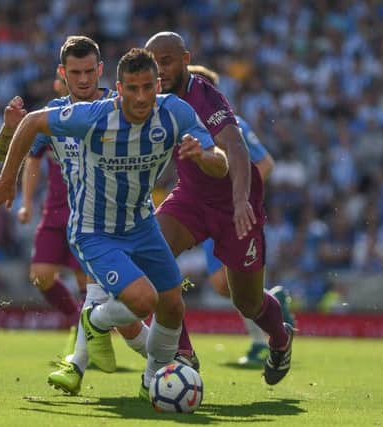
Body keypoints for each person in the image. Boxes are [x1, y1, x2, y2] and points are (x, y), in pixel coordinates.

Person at [0, 47, 228, 399]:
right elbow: (32, 121)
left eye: (148, 87)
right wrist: (8, 178)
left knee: (173, 304)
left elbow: (220, 162)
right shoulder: (94, 115)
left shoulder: (174, 112)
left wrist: (204, 156)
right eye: (132, 88)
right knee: (142, 301)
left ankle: (151, 382)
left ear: (157, 85)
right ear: (119, 88)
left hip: (142, 225)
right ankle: (93, 322)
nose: (142, 97)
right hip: (94, 230)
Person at [0, 37, 151, 395]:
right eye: (74, 72)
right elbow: (5, 152)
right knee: (108, 303)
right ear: (62, 74)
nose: (82, 79)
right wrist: (9, 128)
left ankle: (162, 361)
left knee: (127, 313)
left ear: (100, 70)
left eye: (89, 71)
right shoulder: (54, 115)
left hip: (132, 219)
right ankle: (160, 367)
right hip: (88, 223)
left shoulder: (121, 105)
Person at [145, 32, 294, 385]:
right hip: (191, 199)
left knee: (247, 302)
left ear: (185, 58)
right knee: (150, 259)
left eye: (166, 61)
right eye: (154, 63)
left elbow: (237, 150)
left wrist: (241, 200)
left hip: (234, 208)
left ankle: (280, 338)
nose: (159, 70)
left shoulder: (205, 96)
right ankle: (183, 354)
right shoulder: (151, 95)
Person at [188, 64, 296, 366]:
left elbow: (266, 164)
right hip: (209, 213)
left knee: (233, 281)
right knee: (222, 285)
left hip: (233, 214)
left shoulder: (234, 125)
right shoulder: (186, 124)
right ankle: (273, 301)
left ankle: (261, 343)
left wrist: (241, 197)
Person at [0, 70, 85, 332]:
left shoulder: (94, 117)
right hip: (56, 211)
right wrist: (28, 203)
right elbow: (30, 159)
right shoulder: (49, 120)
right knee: (40, 276)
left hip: (88, 212)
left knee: (85, 281)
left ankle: (89, 337)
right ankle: (77, 321)